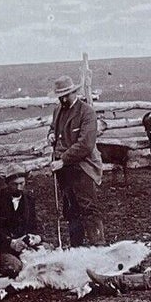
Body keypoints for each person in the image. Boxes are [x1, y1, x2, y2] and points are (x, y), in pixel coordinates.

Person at [49, 75, 104, 246]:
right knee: (71, 209)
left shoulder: (87, 112)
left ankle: (98, 247)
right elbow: (53, 128)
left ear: (74, 92)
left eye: (66, 94)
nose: (63, 98)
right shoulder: (58, 110)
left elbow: (85, 144)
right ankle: (76, 248)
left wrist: (63, 160)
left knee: (88, 208)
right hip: (64, 169)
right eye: (61, 95)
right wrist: (50, 134)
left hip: (82, 167)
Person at [0, 169, 40, 278]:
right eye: (15, 184)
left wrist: (35, 237)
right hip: (3, 246)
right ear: (7, 184)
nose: (19, 187)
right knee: (15, 267)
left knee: (47, 255)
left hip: (24, 245)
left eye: (21, 183)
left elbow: (33, 225)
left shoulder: (29, 200)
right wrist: (11, 242)